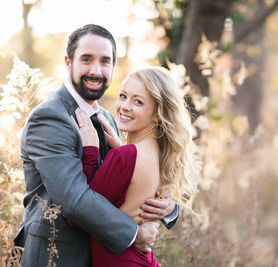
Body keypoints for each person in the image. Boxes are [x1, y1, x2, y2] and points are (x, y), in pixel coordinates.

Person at [13, 24, 179, 267]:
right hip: (58, 256)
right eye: (87, 60)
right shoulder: (50, 117)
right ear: (69, 62)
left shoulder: (109, 118)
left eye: (105, 61)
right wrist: (135, 233)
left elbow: (127, 185)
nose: (96, 70)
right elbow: (73, 199)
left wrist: (167, 208)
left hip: (104, 255)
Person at [72, 66, 198, 266]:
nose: (125, 106)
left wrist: (90, 153)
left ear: (158, 113)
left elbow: (78, 214)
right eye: (123, 96)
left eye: (138, 101)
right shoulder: (161, 155)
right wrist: (121, 151)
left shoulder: (125, 156)